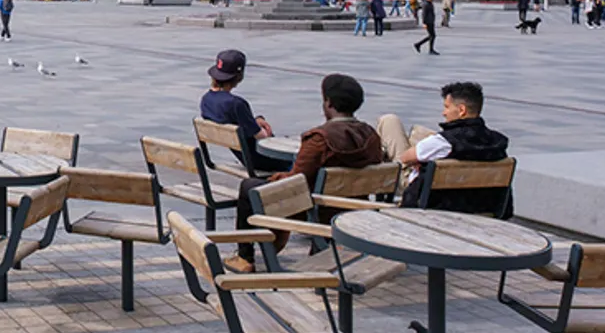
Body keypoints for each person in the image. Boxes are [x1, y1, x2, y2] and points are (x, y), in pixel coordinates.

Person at [223, 74, 384, 274]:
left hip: (315, 207)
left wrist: (275, 178)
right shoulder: (372, 136)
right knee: (264, 184)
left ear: (328, 102)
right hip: (354, 207)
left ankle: (244, 257)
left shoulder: (319, 139)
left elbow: (296, 183)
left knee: (249, 186)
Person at [376, 81, 512, 217]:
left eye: (447, 107)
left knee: (389, 121)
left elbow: (405, 158)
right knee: (420, 133)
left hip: (431, 199)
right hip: (477, 204)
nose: (443, 113)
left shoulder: (445, 141)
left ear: (461, 110)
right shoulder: (496, 141)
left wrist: (420, 162)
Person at [199, 50, 282, 174]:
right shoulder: (237, 104)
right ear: (239, 77)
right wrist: (267, 131)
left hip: (242, 157)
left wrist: (254, 121)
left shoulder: (206, 100)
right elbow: (262, 136)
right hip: (260, 160)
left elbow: (234, 121)